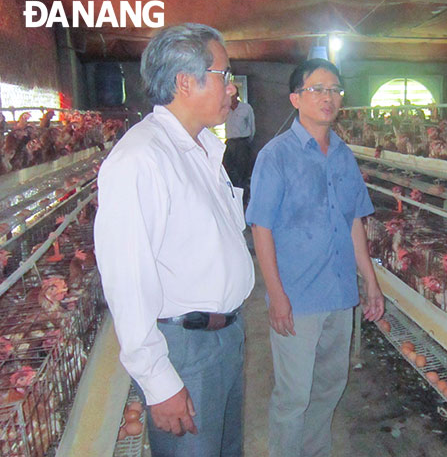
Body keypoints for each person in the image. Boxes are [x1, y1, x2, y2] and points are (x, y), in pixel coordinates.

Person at [94, 23, 254, 457]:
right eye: (224, 74)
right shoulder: (140, 159)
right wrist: (158, 380)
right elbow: (126, 279)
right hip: (185, 349)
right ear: (186, 82)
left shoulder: (202, 148)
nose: (231, 87)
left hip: (226, 335)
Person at [246, 58, 385, 457]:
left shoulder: (344, 155)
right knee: (293, 397)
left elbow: (354, 221)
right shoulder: (276, 156)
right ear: (296, 98)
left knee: (328, 388)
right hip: (298, 297)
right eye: (318, 89)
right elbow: (261, 228)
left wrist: (370, 283)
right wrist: (276, 296)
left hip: (340, 295)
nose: (328, 97)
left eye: (335, 89)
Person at [223, 91, 255, 189]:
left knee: (242, 170)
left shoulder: (246, 108)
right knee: (228, 169)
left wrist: (248, 142)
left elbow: (252, 126)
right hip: (230, 142)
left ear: (237, 96)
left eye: (233, 95)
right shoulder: (224, 108)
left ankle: (244, 196)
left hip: (242, 142)